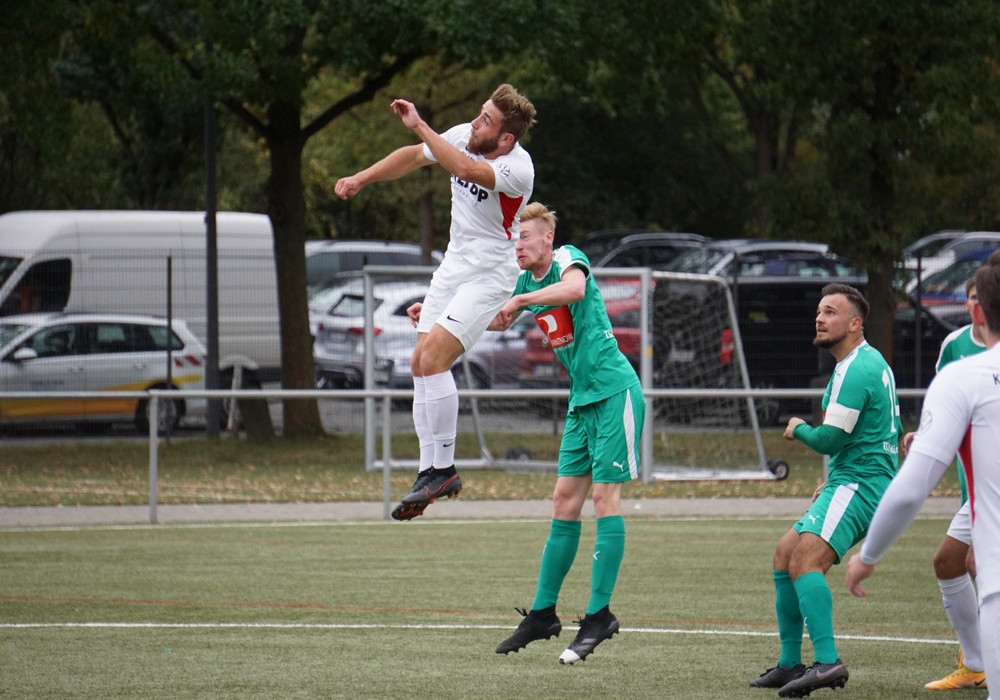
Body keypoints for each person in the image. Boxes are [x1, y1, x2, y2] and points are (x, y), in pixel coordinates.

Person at [334, 84, 537, 521]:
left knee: (434, 358)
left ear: (506, 138)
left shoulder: (519, 168)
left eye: (487, 120)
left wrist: (422, 125)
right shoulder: (465, 133)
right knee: (418, 363)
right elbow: (413, 156)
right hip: (454, 268)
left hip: (489, 275)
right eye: (480, 113)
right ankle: (429, 473)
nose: (477, 122)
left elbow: (463, 167)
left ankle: (443, 469)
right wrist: (361, 178)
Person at [489, 202, 645, 664]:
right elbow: (491, 315)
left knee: (604, 500)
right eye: (515, 237)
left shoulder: (566, 259)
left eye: (525, 237)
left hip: (615, 392)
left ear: (546, 241)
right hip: (582, 401)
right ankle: (542, 614)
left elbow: (576, 289)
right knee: (563, 501)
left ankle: (599, 616)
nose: (517, 244)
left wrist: (519, 301)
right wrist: (434, 320)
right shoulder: (525, 283)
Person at [845, 249, 1000, 695]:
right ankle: (972, 662)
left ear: (976, 309)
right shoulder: (957, 359)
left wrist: (868, 556)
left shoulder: (966, 378)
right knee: (950, 560)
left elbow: (912, 488)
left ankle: (976, 663)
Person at [750, 283, 902, 698]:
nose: (820, 318)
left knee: (804, 561)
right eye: (819, 311)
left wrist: (799, 428)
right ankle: (788, 663)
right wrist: (834, 476)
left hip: (861, 485)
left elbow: (831, 439)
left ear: (856, 323)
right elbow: (880, 432)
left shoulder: (857, 368)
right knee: (785, 552)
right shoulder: (862, 363)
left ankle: (827, 661)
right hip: (853, 479)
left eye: (831, 312)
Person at [902, 278, 987, 691]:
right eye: (971, 297)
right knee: (952, 562)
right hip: (978, 490)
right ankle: (975, 664)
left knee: (979, 565)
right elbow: (944, 404)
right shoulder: (955, 345)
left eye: (982, 297)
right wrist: (928, 434)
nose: (976, 305)